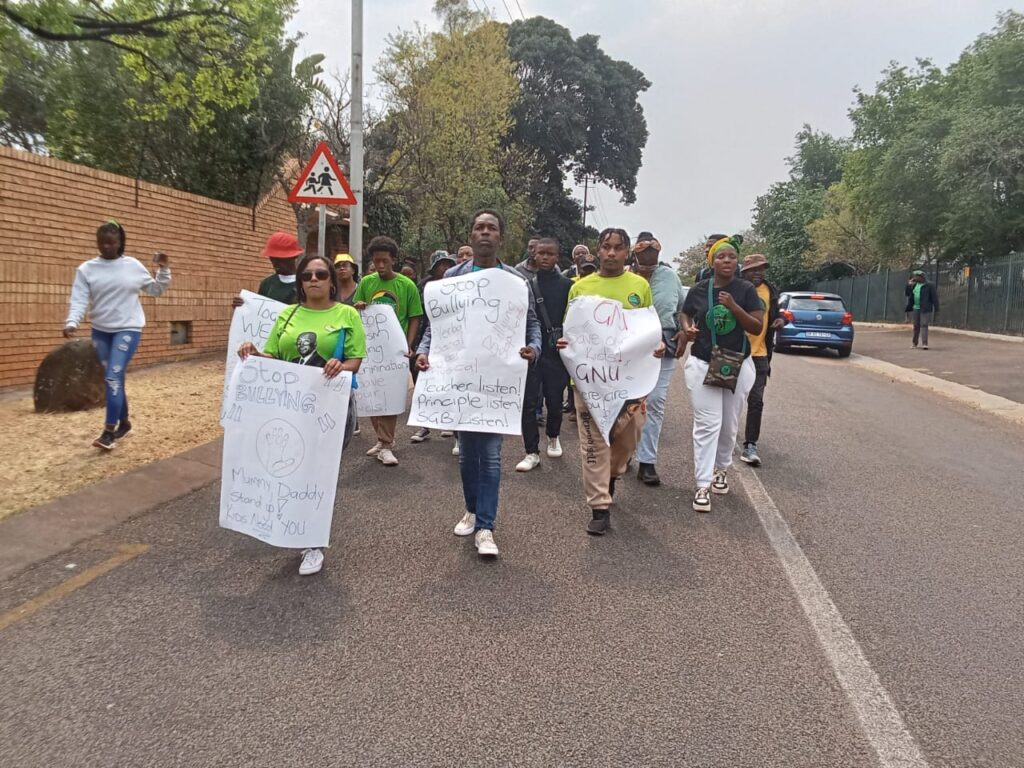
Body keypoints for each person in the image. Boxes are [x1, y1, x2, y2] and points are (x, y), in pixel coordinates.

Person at [416, 210, 541, 558]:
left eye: (492, 228)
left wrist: (534, 349)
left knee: (490, 456)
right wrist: (424, 353)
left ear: (501, 237)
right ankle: (471, 510)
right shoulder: (450, 280)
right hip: (460, 381)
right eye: (479, 227)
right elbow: (433, 328)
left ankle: (486, 527)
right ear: (470, 235)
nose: (485, 233)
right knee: (468, 456)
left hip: (497, 382)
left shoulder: (516, 281)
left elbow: (531, 326)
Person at [238, 254, 365, 576]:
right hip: (288, 408)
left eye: (321, 274)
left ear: (331, 281)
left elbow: (355, 360)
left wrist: (340, 366)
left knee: (317, 472)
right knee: (291, 468)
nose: (313, 279)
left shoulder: (347, 315)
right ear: (300, 282)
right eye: (307, 275)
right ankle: (297, 531)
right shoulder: (288, 315)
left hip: (328, 408)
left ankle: (312, 541)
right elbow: (274, 355)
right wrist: (254, 354)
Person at [556, 227, 664, 536]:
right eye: (606, 247)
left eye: (618, 247)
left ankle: (614, 476)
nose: (612, 253)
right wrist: (565, 344)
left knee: (625, 443)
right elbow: (570, 331)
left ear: (627, 251)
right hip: (589, 384)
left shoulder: (639, 286)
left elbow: (647, 329)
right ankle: (599, 507)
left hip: (629, 385)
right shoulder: (580, 288)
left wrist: (657, 346)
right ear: (598, 250)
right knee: (593, 444)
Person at [63, 221, 171, 450]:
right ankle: (124, 422)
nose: (106, 247)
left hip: (128, 328)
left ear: (120, 242)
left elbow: (156, 290)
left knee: (113, 376)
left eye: (111, 242)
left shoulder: (132, 265)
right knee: (114, 378)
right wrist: (72, 321)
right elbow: (80, 298)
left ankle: (108, 432)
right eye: (101, 242)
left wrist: (163, 269)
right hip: (101, 330)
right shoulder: (87, 269)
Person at [680, 236, 763, 513]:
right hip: (704, 362)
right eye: (720, 256)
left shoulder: (746, 289)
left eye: (731, 256)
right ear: (712, 261)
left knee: (728, 424)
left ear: (736, 261)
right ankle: (702, 483)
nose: (726, 261)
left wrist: (734, 307)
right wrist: (688, 327)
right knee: (707, 424)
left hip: (737, 365)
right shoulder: (700, 290)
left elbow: (755, 326)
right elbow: (685, 313)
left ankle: (721, 469)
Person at [354, 236, 423, 466]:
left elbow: (414, 317)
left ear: (393, 259)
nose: (380, 266)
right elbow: (357, 313)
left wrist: (408, 345)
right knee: (373, 394)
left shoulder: (407, 285)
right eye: (376, 261)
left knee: (390, 396)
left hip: (395, 351)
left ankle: (386, 443)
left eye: (384, 261)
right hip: (371, 349)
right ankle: (382, 441)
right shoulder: (366, 284)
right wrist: (360, 307)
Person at [632, 231, 688, 486]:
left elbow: (683, 311)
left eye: (654, 248)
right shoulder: (625, 277)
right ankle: (623, 455)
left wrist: (685, 334)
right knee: (628, 402)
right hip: (630, 347)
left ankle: (647, 462)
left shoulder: (670, 276)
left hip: (664, 345)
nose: (650, 252)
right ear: (635, 251)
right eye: (644, 248)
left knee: (654, 402)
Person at [516, 237, 573, 471]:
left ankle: (553, 436)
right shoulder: (524, 285)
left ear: (557, 257)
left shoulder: (568, 286)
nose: (545, 257)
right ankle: (531, 452)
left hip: (557, 353)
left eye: (550, 254)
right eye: (541, 253)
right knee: (528, 403)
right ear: (534, 255)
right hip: (531, 352)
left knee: (554, 400)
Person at [738, 253, 783, 467]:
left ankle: (750, 445)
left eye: (761, 269)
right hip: (733, 352)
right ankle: (720, 439)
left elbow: (776, 312)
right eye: (754, 269)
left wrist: (780, 319)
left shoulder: (769, 290)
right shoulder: (735, 288)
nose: (758, 273)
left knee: (756, 401)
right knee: (727, 400)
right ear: (744, 271)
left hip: (760, 354)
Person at [410, 249, 456, 444]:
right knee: (423, 380)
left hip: (450, 339)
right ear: (433, 268)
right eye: (440, 265)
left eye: (447, 264)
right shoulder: (423, 286)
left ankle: (449, 422)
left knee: (449, 380)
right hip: (425, 337)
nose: (444, 268)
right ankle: (424, 425)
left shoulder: (458, 284)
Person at [231, 231, 303, 308]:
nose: (275, 263)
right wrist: (242, 307)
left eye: (280, 259)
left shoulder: (306, 282)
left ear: (294, 256)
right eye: (272, 259)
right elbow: (258, 311)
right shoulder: (267, 284)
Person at [905, 269, 939, 349]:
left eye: (917, 277)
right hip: (916, 308)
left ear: (922, 277)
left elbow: (934, 297)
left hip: (925, 308)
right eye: (914, 277)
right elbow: (907, 294)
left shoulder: (930, 285)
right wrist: (909, 285)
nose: (915, 278)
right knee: (916, 326)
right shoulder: (914, 285)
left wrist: (937, 308)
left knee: (924, 324)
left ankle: (924, 343)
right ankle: (914, 343)